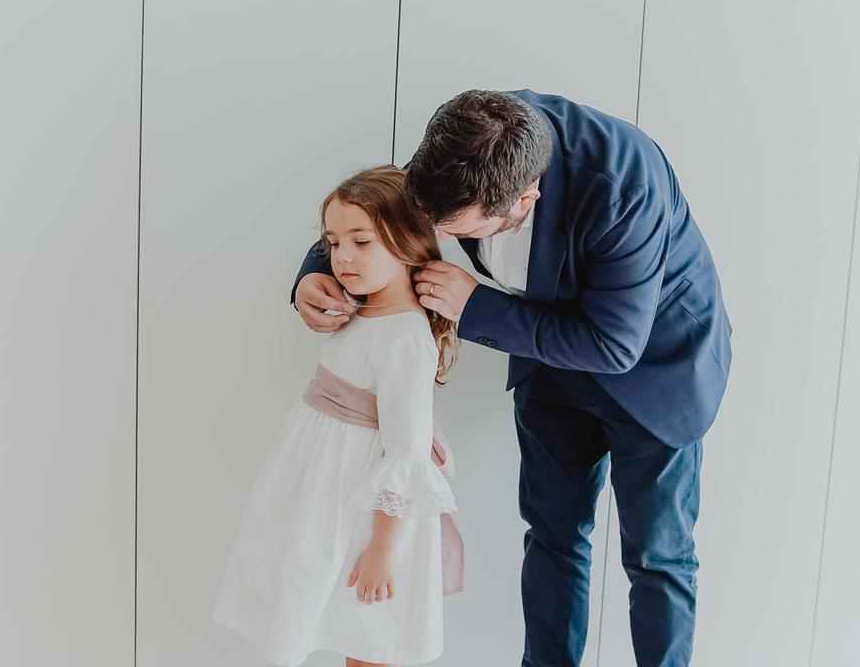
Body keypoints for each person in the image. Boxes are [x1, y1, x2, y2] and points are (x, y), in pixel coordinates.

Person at [294, 90, 732, 667]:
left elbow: (614, 344)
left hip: (657, 371)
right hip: (546, 363)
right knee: (552, 535)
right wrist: (314, 273)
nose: (429, 230)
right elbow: (383, 207)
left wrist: (475, 307)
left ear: (526, 198)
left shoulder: (625, 185)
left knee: (657, 557)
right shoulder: (470, 141)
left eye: (450, 226)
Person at [215, 165, 463, 667]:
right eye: (333, 242)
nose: (342, 256)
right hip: (326, 502)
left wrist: (382, 551)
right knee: (334, 621)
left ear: (407, 241)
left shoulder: (403, 337)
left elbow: (408, 453)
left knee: (369, 636)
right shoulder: (358, 314)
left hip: (371, 518)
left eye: (361, 241)